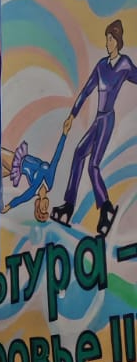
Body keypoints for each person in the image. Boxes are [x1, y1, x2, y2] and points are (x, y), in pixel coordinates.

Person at [51, 19, 137, 235]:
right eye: (107, 39)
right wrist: (72, 115)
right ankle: (68, 205)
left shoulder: (124, 64)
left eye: (111, 39)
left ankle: (106, 208)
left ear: (118, 41)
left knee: (93, 166)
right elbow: (86, 91)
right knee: (79, 153)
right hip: (98, 119)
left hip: (108, 120)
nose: (108, 43)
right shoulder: (101, 66)